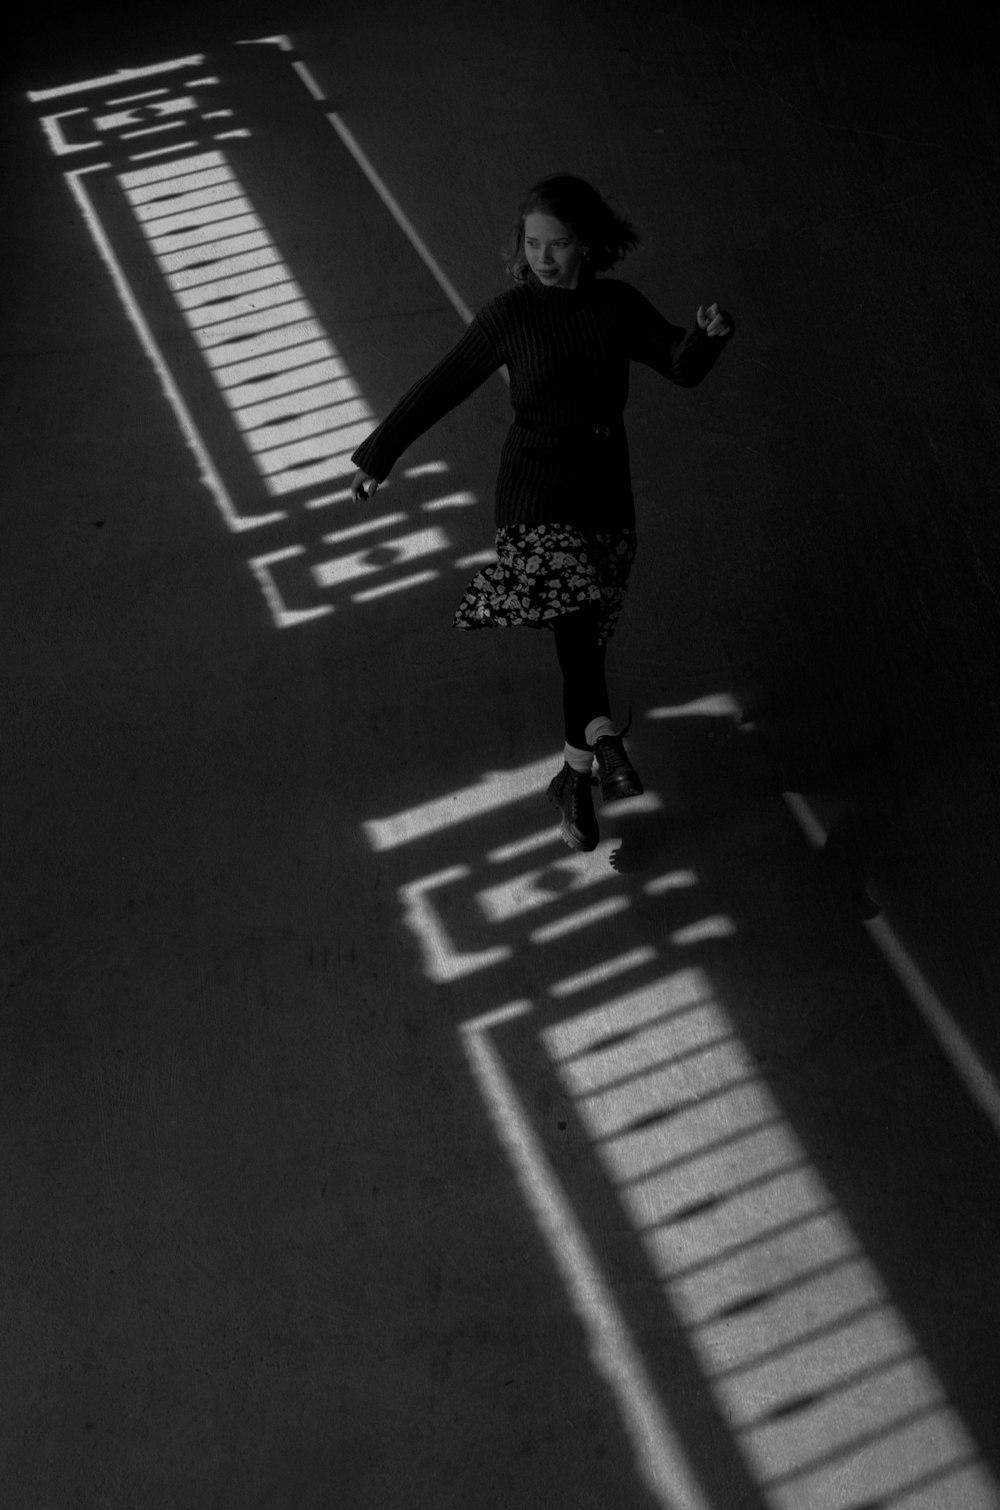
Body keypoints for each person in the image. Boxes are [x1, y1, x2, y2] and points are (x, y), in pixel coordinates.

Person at [350, 174, 734, 852]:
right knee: (576, 616)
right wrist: (379, 455)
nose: (543, 259)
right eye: (532, 244)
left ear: (587, 244)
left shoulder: (616, 306)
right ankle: (604, 740)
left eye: (557, 246)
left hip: (604, 498)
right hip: (533, 496)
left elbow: (680, 364)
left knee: (581, 641)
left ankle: (579, 775)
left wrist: (706, 337)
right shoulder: (510, 315)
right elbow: (443, 384)